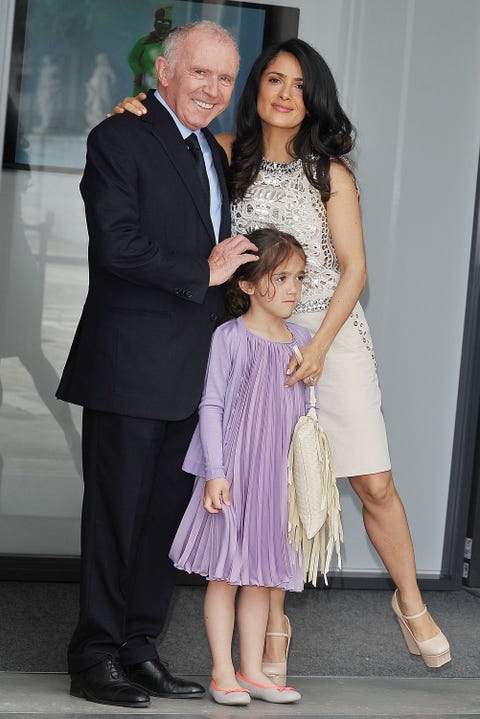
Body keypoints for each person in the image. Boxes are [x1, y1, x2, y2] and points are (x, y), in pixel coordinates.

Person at [112, 36, 451, 679]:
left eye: (298, 85)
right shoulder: (224, 157)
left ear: (312, 97)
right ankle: (273, 620)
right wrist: (135, 106)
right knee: (271, 487)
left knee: (371, 480)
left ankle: (410, 601)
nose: (285, 94)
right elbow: (166, 142)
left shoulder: (331, 172)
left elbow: (355, 270)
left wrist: (318, 348)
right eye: (273, 80)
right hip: (254, 343)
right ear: (257, 90)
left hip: (329, 337)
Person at [56, 20, 258, 709]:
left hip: (192, 374)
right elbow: (116, 243)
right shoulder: (119, 137)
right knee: (116, 519)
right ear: (164, 73)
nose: (213, 89)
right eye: (200, 72)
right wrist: (202, 271)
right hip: (130, 365)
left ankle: (139, 647)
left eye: (225, 78)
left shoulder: (212, 149)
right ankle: (95, 657)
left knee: (164, 525)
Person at [170, 227, 307, 706]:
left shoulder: (304, 342)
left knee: (261, 576)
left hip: (275, 478)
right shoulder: (229, 337)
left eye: (298, 278)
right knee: (225, 574)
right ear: (246, 285)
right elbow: (211, 406)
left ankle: (252, 671)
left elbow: (309, 417)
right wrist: (215, 471)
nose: (293, 288)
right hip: (232, 473)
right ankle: (222, 671)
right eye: (281, 277)